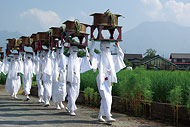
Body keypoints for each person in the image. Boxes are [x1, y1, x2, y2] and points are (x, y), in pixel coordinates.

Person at [90, 41, 126, 122]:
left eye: (108, 47)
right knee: (106, 98)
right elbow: (91, 54)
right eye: (105, 46)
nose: (107, 48)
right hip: (102, 80)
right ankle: (108, 115)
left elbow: (121, 56)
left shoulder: (112, 57)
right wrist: (92, 44)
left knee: (106, 98)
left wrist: (118, 47)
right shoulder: (98, 57)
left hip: (110, 80)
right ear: (101, 47)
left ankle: (100, 115)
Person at [66, 46, 91, 116]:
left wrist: (86, 50)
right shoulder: (67, 59)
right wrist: (62, 47)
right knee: (71, 94)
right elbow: (61, 57)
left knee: (76, 94)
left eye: (76, 51)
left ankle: (69, 106)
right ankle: (72, 109)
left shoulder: (79, 59)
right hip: (70, 79)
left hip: (77, 78)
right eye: (73, 50)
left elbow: (87, 58)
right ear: (70, 51)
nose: (74, 52)